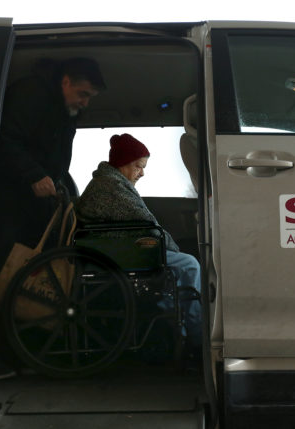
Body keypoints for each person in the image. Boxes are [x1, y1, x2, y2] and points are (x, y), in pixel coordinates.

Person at [0, 57, 106, 380]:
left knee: (24, 280)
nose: (84, 102)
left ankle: (20, 355)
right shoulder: (31, 95)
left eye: (90, 97)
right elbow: (4, 140)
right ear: (65, 82)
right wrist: (34, 175)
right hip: (9, 203)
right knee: (3, 280)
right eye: (82, 94)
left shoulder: (66, 111)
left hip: (32, 205)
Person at [75, 133, 202, 357]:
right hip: (118, 253)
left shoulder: (110, 182)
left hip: (116, 248)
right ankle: (197, 336)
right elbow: (147, 223)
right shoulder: (111, 186)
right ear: (123, 162)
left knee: (179, 264)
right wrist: (172, 248)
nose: (142, 173)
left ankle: (176, 327)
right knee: (189, 264)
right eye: (138, 166)